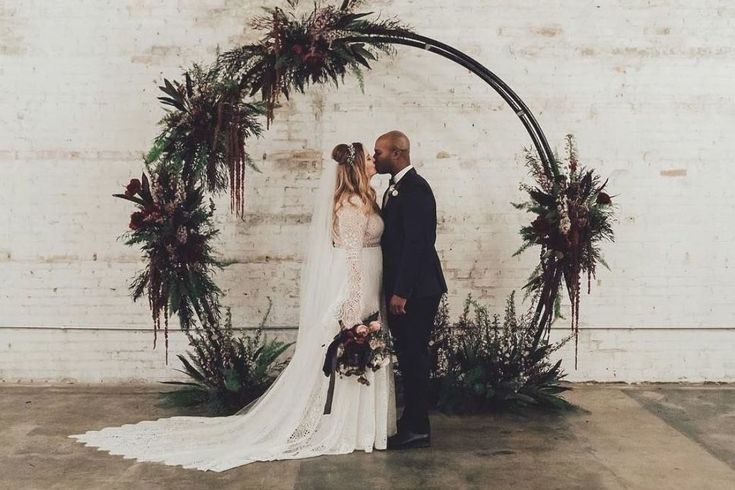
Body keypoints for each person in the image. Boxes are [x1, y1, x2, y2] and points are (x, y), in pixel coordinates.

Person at [69, 142, 397, 472]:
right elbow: (353, 261)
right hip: (356, 285)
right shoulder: (351, 206)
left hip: (370, 284)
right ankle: (346, 426)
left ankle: (360, 427)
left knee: (359, 352)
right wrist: (353, 309)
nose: (373, 161)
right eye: (368, 158)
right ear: (354, 168)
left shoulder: (365, 198)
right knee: (350, 347)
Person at [374, 130, 447, 450]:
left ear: (397, 154)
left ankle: (418, 427)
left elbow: (418, 245)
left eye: (379, 152)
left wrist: (401, 291)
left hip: (417, 290)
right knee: (408, 354)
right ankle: (412, 418)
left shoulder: (415, 188)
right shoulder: (397, 187)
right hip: (410, 289)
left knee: (414, 356)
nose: (374, 157)